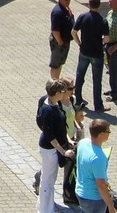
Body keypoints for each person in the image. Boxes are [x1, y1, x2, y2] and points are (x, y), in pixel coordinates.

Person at [37, 79, 75, 213]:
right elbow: (50, 135)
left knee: (49, 179)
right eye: (63, 91)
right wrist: (63, 151)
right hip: (49, 149)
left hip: (54, 146)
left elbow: (59, 127)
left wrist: (67, 139)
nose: (65, 93)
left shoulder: (51, 102)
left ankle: (49, 205)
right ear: (57, 93)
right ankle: (45, 209)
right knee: (47, 180)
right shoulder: (47, 110)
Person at [72, 0, 110, 112]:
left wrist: (79, 43)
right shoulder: (103, 20)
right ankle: (98, 105)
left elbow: (73, 32)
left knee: (80, 76)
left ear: (89, 4)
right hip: (97, 53)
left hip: (84, 51)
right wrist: (102, 43)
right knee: (97, 80)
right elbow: (107, 39)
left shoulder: (82, 17)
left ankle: (78, 100)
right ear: (99, 5)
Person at [74, 119, 117, 213]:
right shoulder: (98, 158)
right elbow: (100, 184)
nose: (109, 133)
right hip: (93, 198)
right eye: (108, 131)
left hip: (80, 191)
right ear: (101, 134)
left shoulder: (83, 143)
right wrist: (110, 206)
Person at [49, 0, 75, 80]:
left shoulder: (66, 9)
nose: (68, 1)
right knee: (55, 64)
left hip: (65, 41)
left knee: (60, 63)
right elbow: (55, 30)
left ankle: (57, 80)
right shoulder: (57, 12)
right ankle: (54, 84)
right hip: (59, 41)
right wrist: (60, 42)